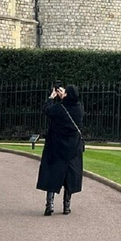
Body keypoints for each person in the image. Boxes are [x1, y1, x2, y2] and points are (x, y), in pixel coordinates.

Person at [36, 83, 84, 216]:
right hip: (73, 148)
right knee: (70, 176)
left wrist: (52, 97)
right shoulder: (79, 109)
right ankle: (66, 205)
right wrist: (65, 96)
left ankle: (49, 204)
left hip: (56, 147)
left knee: (52, 174)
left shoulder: (59, 108)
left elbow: (46, 110)